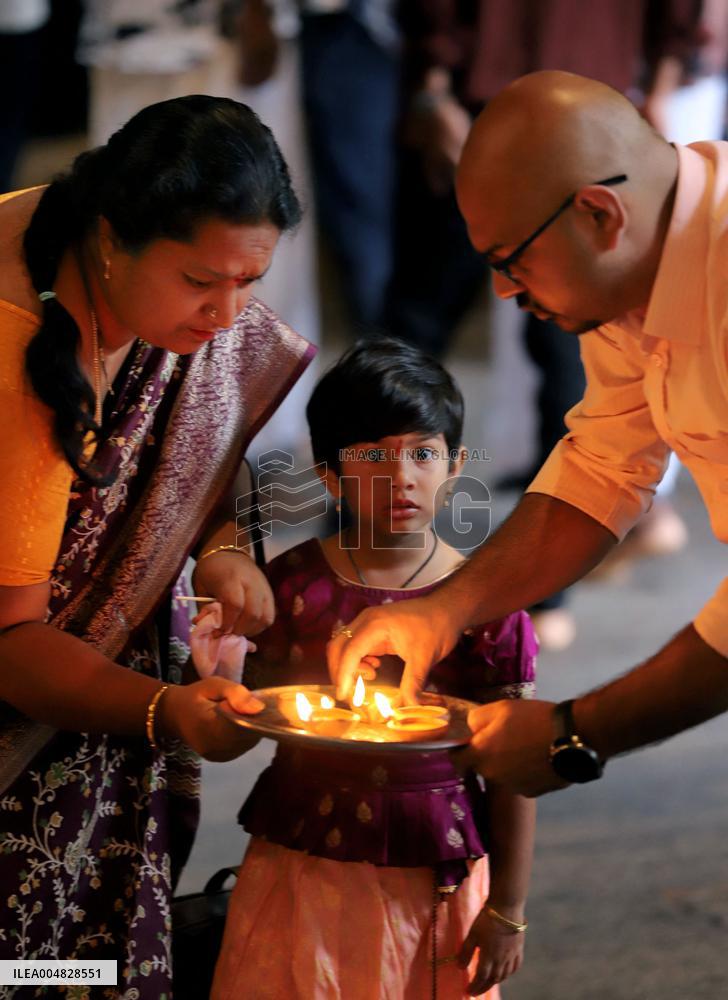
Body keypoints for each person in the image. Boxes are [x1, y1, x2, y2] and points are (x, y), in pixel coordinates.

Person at [327, 70, 728, 799]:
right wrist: (444, 610)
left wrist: (576, 732)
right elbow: (603, 468)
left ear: (599, 215)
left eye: (512, 263)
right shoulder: (634, 264)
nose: (507, 294)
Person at [0, 94, 314, 998]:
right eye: (201, 282)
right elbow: (11, 641)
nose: (227, 315)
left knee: (88, 950)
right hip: (37, 689)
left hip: (99, 690)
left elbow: (193, 448)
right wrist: (167, 713)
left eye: (249, 283)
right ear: (111, 238)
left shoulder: (151, 297)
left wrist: (216, 542)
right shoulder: (17, 345)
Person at [211, 339, 537, 999]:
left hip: (435, 877)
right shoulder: (293, 589)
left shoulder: (485, 605)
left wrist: (508, 908)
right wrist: (219, 678)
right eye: (372, 459)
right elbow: (241, 729)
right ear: (329, 476)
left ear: (457, 466)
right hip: (303, 864)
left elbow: (514, 767)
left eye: (423, 453)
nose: (403, 478)